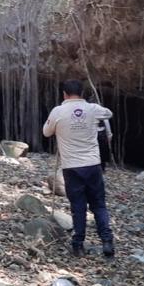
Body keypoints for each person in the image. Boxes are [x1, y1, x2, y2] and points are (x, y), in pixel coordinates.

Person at [42, 79, 115, 257]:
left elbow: (46, 132)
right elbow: (109, 114)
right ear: (81, 93)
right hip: (92, 165)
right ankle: (107, 242)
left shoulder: (58, 111)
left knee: (78, 206)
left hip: (72, 167)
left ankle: (78, 245)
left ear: (64, 94)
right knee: (99, 204)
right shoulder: (93, 109)